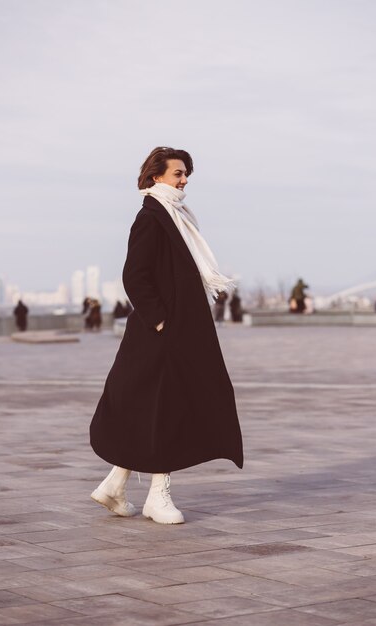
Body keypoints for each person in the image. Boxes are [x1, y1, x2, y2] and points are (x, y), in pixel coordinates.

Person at [90, 147, 243, 524]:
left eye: (186, 173)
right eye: (178, 173)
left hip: (178, 331)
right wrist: (161, 321)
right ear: (156, 176)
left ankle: (115, 484)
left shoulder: (173, 216)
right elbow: (135, 276)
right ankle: (157, 496)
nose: (184, 179)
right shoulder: (152, 217)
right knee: (167, 406)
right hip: (163, 334)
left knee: (159, 406)